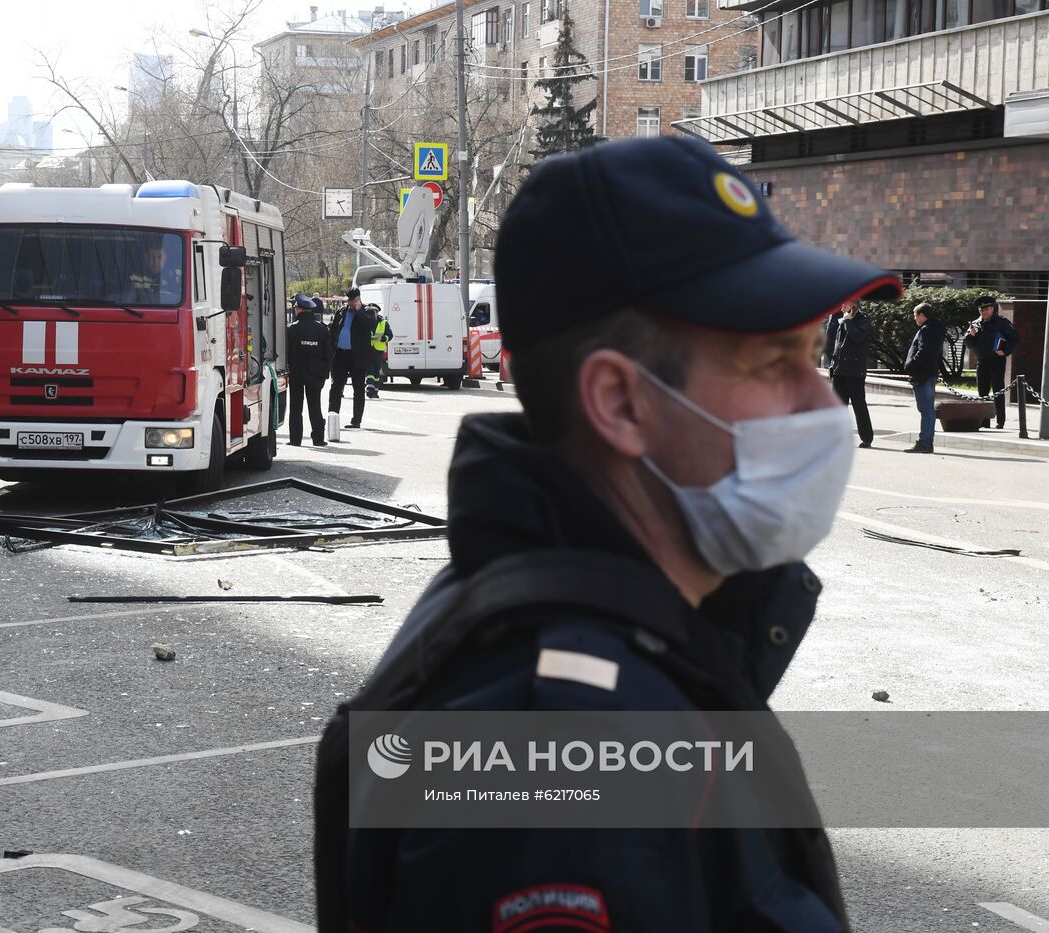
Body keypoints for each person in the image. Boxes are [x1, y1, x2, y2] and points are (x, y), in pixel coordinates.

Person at [317, 137, 904, 932]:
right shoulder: (556, 759)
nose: (824, 407)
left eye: (814, 356)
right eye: (773, 364)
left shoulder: (595, 627)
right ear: (620, 403)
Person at [287, 293, 334, 447]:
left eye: (295, 308)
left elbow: (286, 352)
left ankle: (295, 440)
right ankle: (318, 439)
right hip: (316, 374)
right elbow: (329, 353)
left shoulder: (292, 329)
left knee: (296, 408)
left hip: (297, 373)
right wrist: (323, 372)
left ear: (299, 310)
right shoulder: (322, 329)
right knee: (315, 406)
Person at [966, 295, 1019, 429]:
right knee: (982, 392)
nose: (983, 312)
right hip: (982, 361)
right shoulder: (976, 323)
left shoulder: (1001, 322)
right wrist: (970, 335)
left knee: (998, 391)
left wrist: (1005, 351)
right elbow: (968, 343)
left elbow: (1015, 338)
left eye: (986, 308)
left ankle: (1000, 421)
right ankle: (984, 421)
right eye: (981, 309)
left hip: (997, 361)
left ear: (992, 308)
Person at [829, 301, 875, 448]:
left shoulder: (863, 320)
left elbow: (858, 337)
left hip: (854, 371)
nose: (842, 306)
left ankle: (867, 438)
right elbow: (837, 344)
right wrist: (833, 364)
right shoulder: (843, 319)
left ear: (853, 306)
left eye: (845, 304)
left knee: (859, 406)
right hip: (839, 370)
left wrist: (848, 322)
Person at [328, 287, 374, 429]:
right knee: (336, 387)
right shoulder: (341, 312)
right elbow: (334, 329)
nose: (350, 304)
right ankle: (332, 417)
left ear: (358, 299)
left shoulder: (368, 311)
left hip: (357, 356)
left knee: (358, 389)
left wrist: (359, 310)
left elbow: (370, 325)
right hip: (341, 355)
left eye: (353, 301)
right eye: (348, 301)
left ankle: (356, 420)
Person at [904, 303, 946, 454]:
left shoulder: (926, 330)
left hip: (922, 374)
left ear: (922, 315)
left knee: (926, 410)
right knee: (928, 410)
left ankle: (925, 442)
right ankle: (928, 441)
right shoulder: (935, 329)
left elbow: (923, 351)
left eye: (915, 315)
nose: (914, 318)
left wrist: (910, 365)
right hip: (930, 373)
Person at [365, 305, 392, 399]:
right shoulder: (365, 322)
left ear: (377, 313)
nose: (372, 315)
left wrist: (383, 338)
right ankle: (370, 388)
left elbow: (390, 336)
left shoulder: (384, 323)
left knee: (376, 371)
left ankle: (375, 390)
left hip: (378, 351)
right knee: (370, 369)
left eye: (374, 313)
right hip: (367, 349)